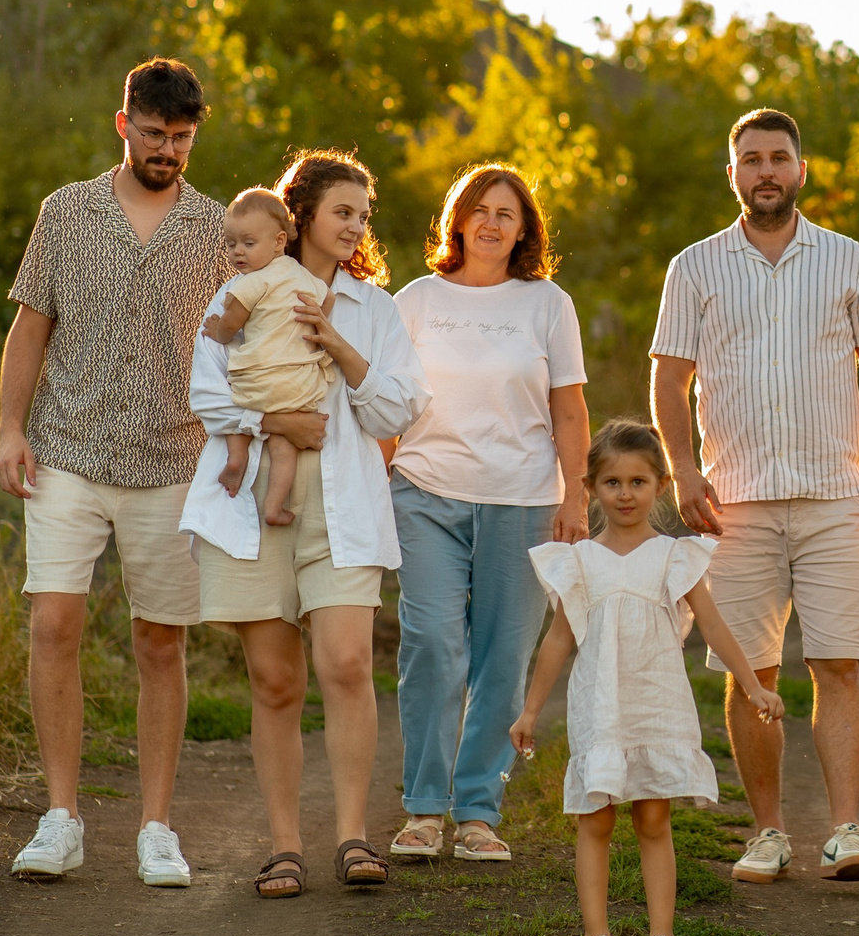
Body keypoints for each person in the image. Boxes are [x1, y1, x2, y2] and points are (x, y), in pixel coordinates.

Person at [649, 108, 859, 886]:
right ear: (731, 173)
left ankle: (844, 829)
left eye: (779, 158)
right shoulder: (694, 267)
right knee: (751, 674)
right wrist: (682, 470)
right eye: (751, 159)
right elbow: (670, 377)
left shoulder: (847, 260)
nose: (766, 171)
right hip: (733, 501)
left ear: (802, 169)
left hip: (837, 495)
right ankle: (767, 832)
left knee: (839, 663)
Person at [0, 57, 235, 888]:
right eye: (157, 133)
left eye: (183, 138)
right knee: (53, 625)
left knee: (158, 641)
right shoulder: (64, 212)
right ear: (123, 123)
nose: (169, 149)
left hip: (174, 459)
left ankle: (156, 826)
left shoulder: (216, 229)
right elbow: (31, 324)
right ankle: (60, 817)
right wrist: (8, 428)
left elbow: (241, 341)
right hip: (66, 450)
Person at [180, 150, 432, 898]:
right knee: (275, 679)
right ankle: (285, 846)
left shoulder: (375, 309)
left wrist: (339, 345)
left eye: (363, 213)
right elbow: (206, 391)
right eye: (342, 211)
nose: (356, 226)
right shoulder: (240, 293)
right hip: (253, 499)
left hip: (344, 504)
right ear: (302, 217)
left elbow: (398, 410)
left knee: (349, 663)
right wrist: (274, 418)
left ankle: (353, 835)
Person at [511, 420, 784, 936]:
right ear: (591, 488)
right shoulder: (580, 561)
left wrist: (754, 684)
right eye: (612, 482)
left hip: (655, 702)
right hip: (600, 705)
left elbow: (714, 625)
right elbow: (558, 640)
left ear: (660, 485)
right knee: (596, 817)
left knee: (655, 817)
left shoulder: (674, 557)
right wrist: (531, 710)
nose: (626, 494)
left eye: (638, 481)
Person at [386, 164, 592, 864]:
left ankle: (477, 810)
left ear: (525, 228)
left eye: (508, 212)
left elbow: (569, 408)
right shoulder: (413, 300)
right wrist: (372, 476)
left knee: (504, 660)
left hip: (525, 498)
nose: (493, 222)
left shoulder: (547, 305)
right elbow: (385, 399)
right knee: (434, 644)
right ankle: (421, 811)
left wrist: (576, 493)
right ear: (458, 218)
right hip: (425, 488)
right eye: (481, 208)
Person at [201, 188, 333, 527]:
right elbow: (328, 300)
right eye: (231, 244)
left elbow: (232, 324)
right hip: (299, 384)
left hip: (259, 378)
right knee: (283, 446)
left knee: (240, 400)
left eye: (248, 243)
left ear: (278, 241)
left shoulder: (249, 282)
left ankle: (236, 457)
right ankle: (274, 506)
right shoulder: (301, 275)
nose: (238, 253)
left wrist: (218, 331)